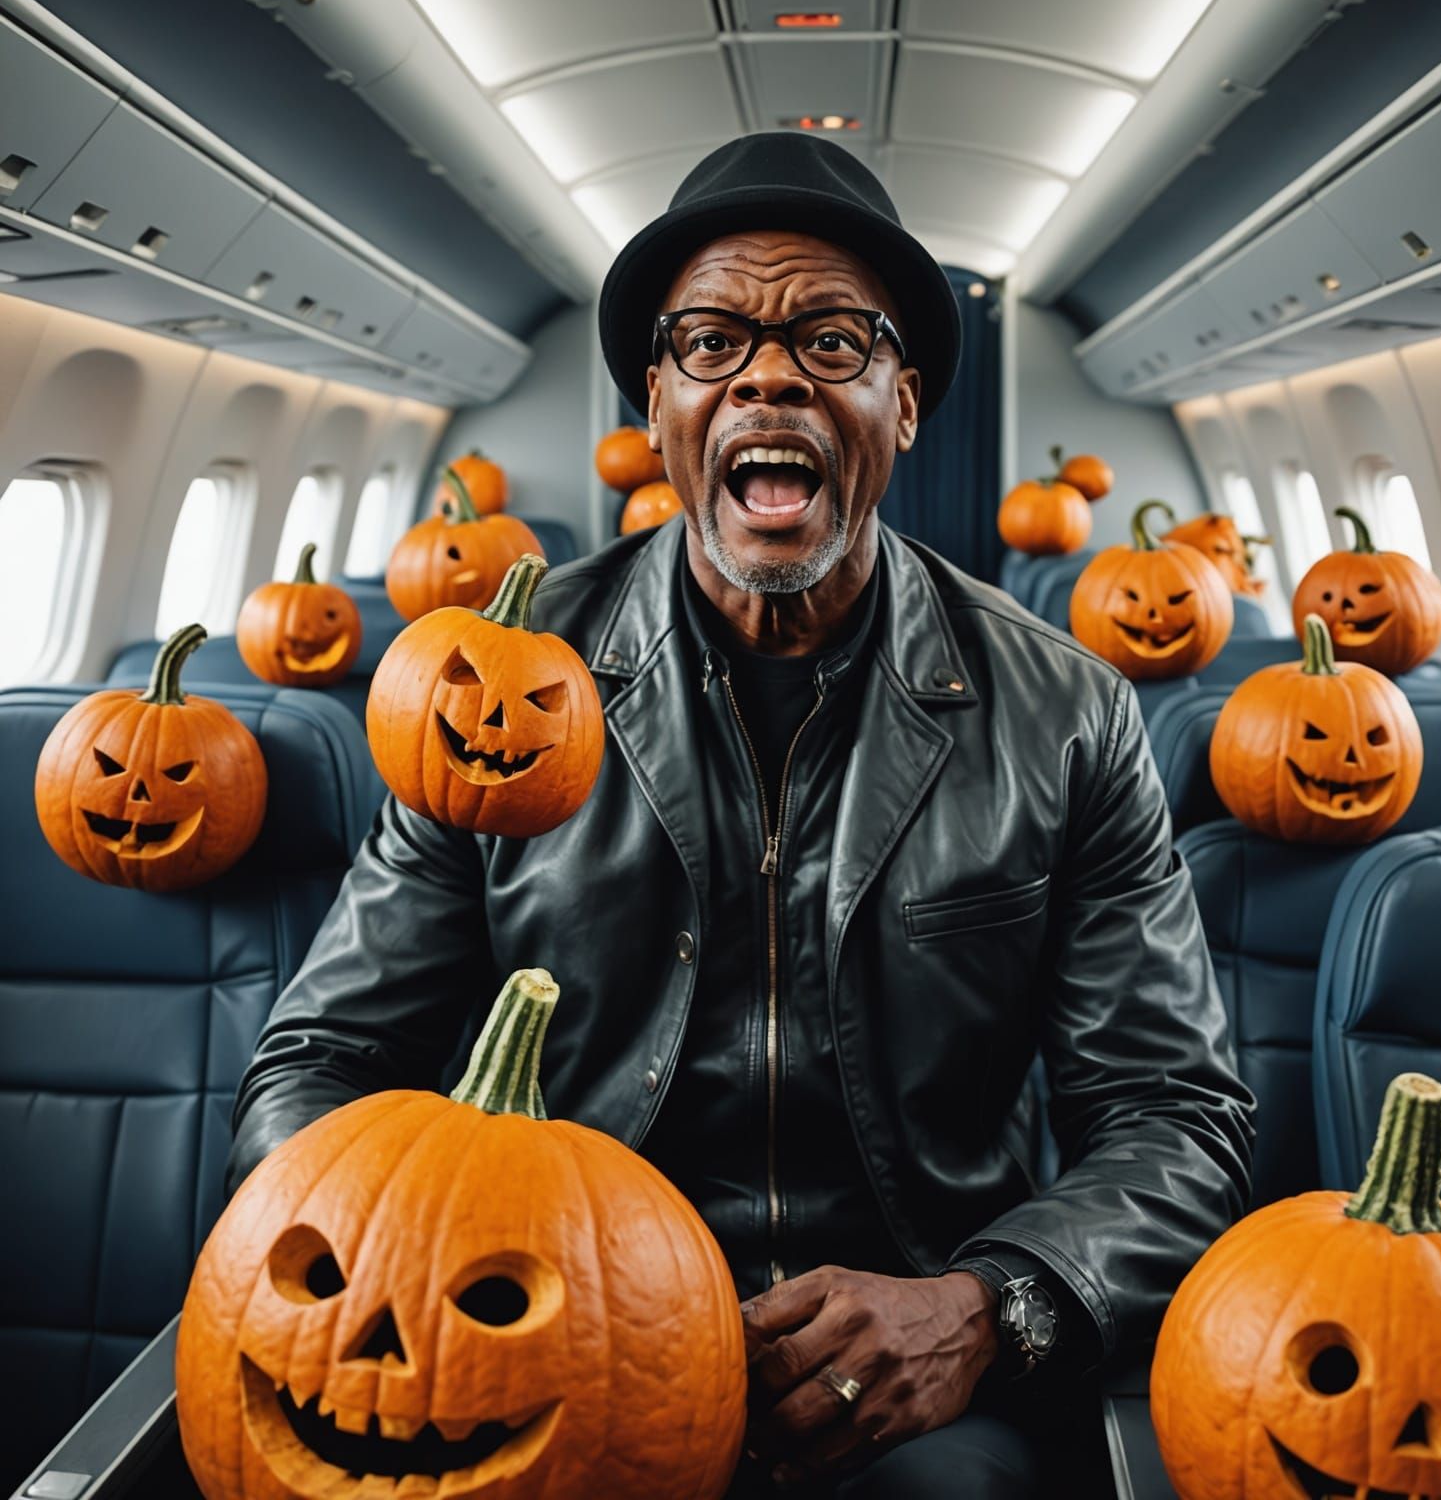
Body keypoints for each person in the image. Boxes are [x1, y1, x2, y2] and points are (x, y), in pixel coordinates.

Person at [229, 133, 1254, 1497]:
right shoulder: (489, 689)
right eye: (711, 342)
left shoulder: (1065, 711)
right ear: (658, 407)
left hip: (918, 1373)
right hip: (544, 1338)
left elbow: (1177, 1116)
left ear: (904, 403)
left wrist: (987, 1308)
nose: (768, 373)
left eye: (834, 341)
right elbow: (324, 1054)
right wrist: (413, 1268)